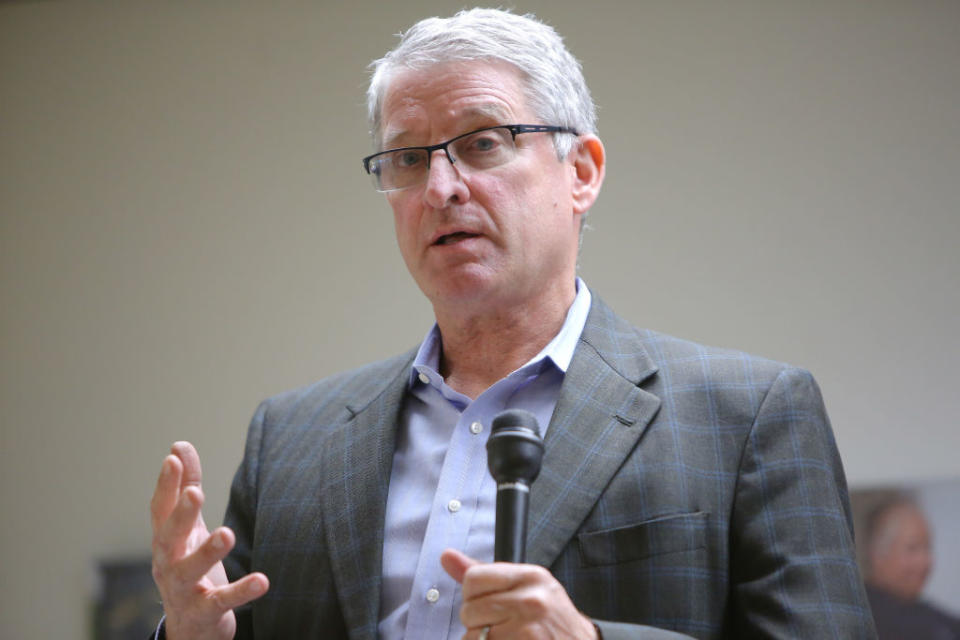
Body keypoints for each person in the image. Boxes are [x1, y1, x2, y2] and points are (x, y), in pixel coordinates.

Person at [150, 8, 876, 639]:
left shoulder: (748, 417)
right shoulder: (289, 442)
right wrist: (190, 634)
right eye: (408, 157)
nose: (440, 187)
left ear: (581, 172)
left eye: (483, 142)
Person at [863, 497, 960, 639]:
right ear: (877, 553)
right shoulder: (861, 617)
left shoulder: (929, 616)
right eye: (912, 548)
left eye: (927, 547)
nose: (926, 561)